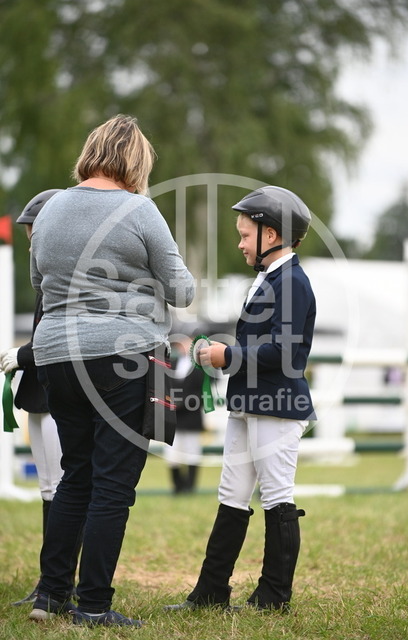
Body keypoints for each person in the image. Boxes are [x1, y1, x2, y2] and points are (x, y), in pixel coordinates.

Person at [28, 114, 195, 627]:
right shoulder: (139, 210)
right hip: (122, 354)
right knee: (113, 484)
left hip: (56, 353)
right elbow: (183, 290)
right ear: (136, 161)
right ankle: (94, 605)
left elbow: (38, 280)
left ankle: (50, 596)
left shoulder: (51, 207)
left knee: (75, 475)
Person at [165, 185, 316, 612]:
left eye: (245, 235)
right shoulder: (267, 279)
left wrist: (226, 355)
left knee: (277, 496)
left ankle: (274, 595)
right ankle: (211, 591)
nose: (240, 243)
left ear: (271, 235)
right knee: (231, 493)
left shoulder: (293, 282)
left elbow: (284, 351)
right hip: (247, 403)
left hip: (277, 406)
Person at [1, 189, 66, 606]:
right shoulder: (44, 279)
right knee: (47, 488)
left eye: (33, 236)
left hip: (60, 392)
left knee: (61, 488)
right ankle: (49, 580)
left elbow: (57, 337)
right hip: (40, 394)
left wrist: (23, 355)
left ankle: (59, 582)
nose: (31, 246)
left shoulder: (63, 280)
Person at [165, 335, 205, 494]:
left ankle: (190, 486)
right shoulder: (172, 364)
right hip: (173, 417)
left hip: (191, 416)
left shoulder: (201, 368)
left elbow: (201, 393)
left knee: (192, 452)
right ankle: (177, 486)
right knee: (172, 453)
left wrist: (183, 403)